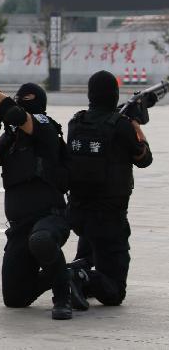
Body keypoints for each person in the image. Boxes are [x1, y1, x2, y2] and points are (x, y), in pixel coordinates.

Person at [0, 82, 73, 320]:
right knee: (15, 298)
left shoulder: (45, 126)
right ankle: (69, 273)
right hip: (19, 227)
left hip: (50, 218)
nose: (21, 102)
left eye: (26, 99)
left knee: (41, 240)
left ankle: (63, 297)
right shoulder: (12, 137)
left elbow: (17, 114)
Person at [65, 70, 152, 309]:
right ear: (114, 94)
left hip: (78, 213)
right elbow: (144, 158)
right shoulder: (121, 126)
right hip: (109, 217)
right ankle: (76, 274)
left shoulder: (76, 122)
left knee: (89, 249)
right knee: (115, 293)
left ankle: (78, 272)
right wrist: (135, 123)